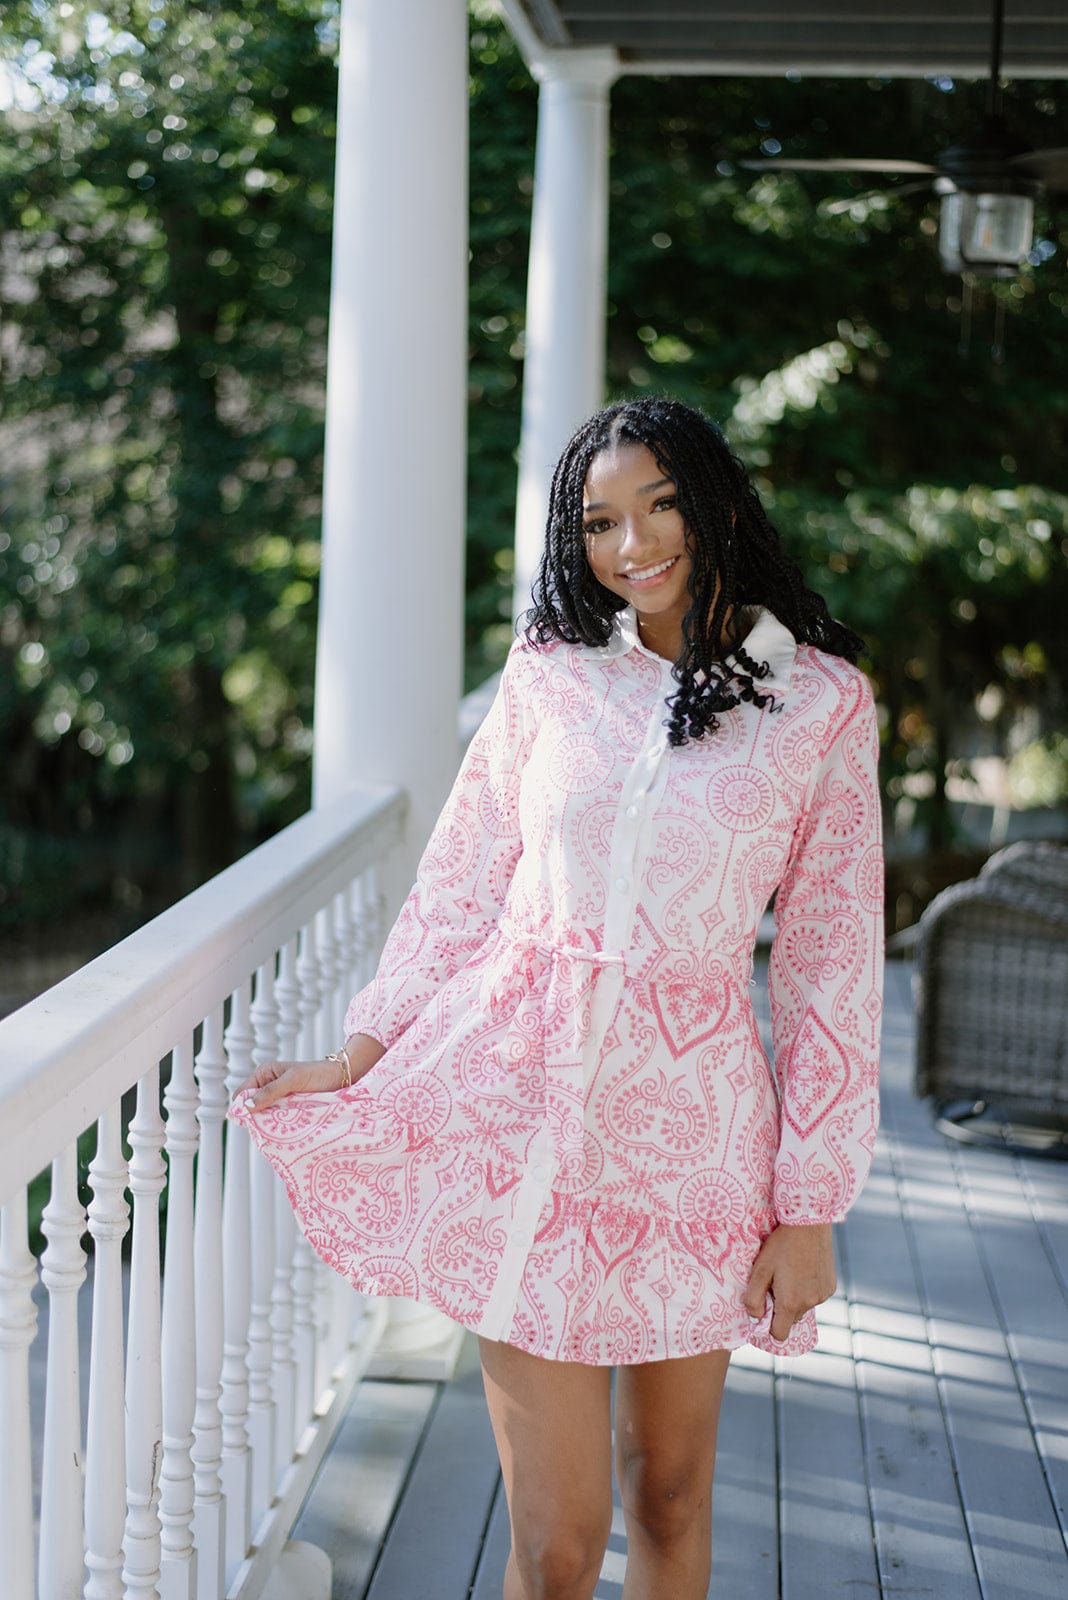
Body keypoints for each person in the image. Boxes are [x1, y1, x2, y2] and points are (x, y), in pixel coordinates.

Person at [230, 396, 884, 1600]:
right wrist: (363, 1054)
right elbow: (462, 880)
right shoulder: (555, 675)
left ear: (718, 498)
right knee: (559, 1540)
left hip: (692, 1138)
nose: (630, 545)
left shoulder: (824, 706)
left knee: (673, 1497)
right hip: (515, 1115)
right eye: (597, 522)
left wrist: (812, 1202)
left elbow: (830, 967)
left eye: (659, 505)